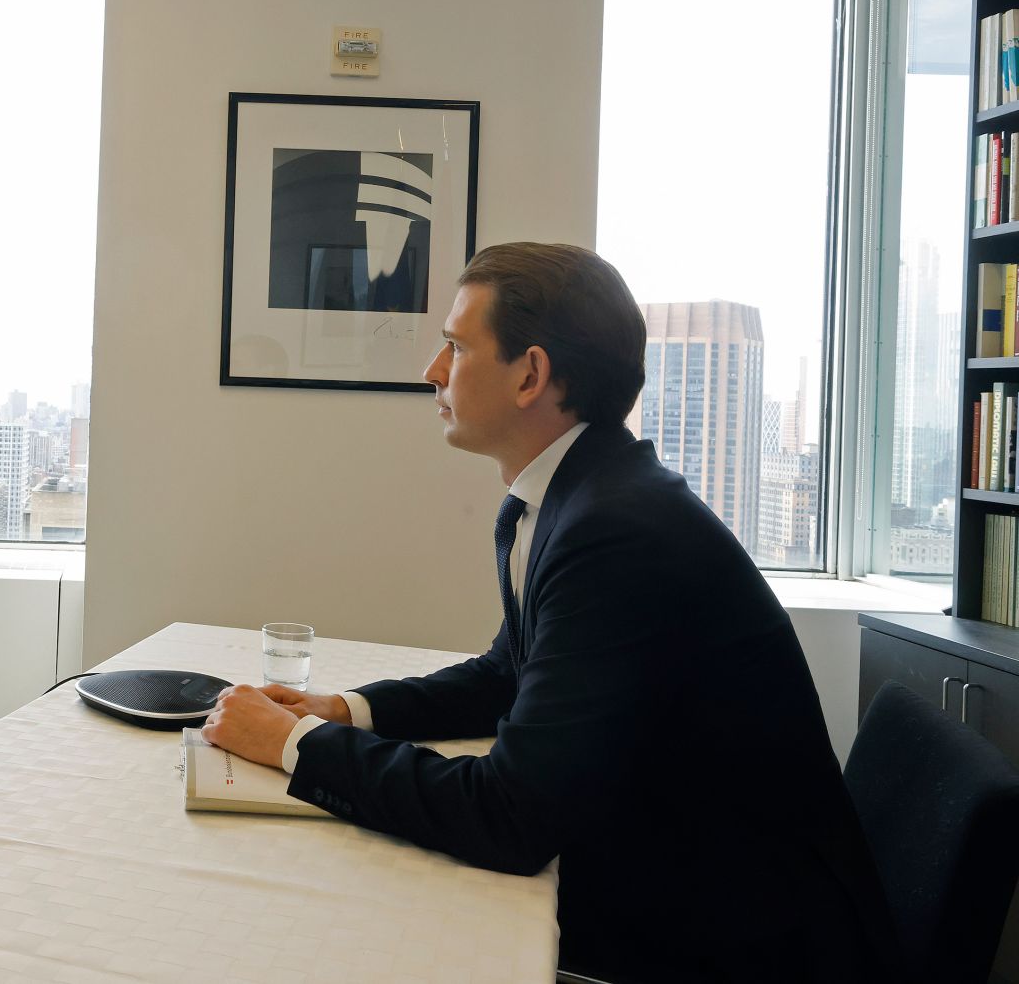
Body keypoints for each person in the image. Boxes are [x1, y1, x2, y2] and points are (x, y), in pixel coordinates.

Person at [202, 243, 897, 982]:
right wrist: (343, 711)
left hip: (741, 944)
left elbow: (513, 818)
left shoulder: (615, 531)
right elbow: (508, 673)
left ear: (530, 374)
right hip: (688, 884)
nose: (432, 372)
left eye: (456, 347)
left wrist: (295, 745)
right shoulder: (577, 499)